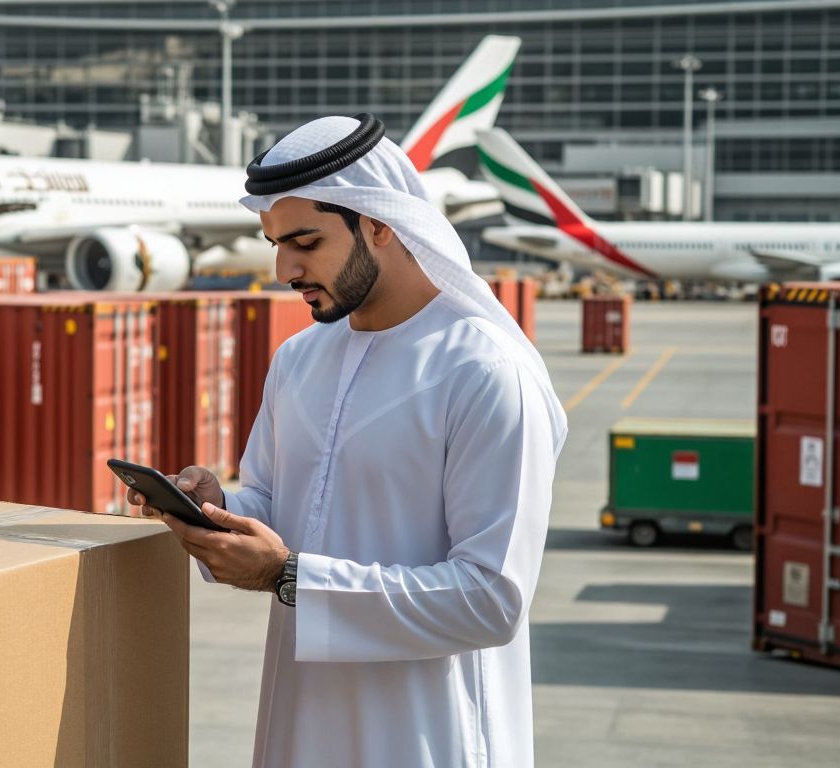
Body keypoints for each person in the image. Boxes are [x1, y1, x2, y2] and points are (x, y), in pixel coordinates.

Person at [128, 113, 567, 767]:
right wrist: (218, 513)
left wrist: (289, 577)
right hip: (302, 717)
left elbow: (490, 599)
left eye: (305, 241)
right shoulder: (299, 359)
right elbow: (279, 507)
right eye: (275, 242)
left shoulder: (483, 371)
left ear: (381, 223)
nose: (283, 268)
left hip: (429, 732)